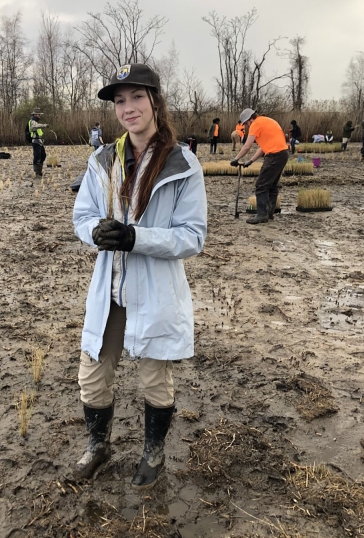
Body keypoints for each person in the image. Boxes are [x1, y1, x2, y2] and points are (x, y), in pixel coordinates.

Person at [72, 63, 207, 489]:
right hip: (110, 288)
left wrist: (137, 238)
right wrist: (95, 231)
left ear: (155, 101)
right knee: (91, 375)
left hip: (154, 291)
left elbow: (192, 237)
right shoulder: (102, 160)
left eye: (136, 97)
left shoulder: (182, 164)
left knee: (155, 378)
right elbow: (83, 213)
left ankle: (153, 452)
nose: (127, 108)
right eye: (119, 100)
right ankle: (99, 445)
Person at [230, 108, 288, 225]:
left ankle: (262, 215)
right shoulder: (266, 121)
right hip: (283, 154)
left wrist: (236, 159)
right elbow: (262, 147)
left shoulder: (255, 124)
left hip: (274, 155)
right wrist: (251, 161)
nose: (246, 126)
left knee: (261, 185)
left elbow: (247, 146)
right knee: (271, 185)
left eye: (246, 123)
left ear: (250, 119)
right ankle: (269, 213)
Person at [28, 108, 48, 176]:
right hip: (35, 141)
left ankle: (39, 171)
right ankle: (37, 172)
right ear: (35, 114)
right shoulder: (32, 121)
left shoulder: (35, 121)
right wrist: (44, 125)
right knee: (37, 156)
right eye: (39, 114)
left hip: (39, 141)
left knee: (43, 155)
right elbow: (36, 127)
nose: (40, 115)